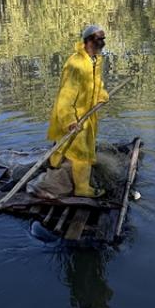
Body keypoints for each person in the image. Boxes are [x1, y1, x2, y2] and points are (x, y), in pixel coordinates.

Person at [47, 25, 110, 197]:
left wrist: (102, 95)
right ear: (88, 41)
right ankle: (82, 189)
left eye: (103, 39)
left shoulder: (95, 60)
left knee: (66, 142)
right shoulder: (75, 64)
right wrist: (70, 120)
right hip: (74, 114)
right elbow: (65, 97)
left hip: (88, 113)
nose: (103, 43)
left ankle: (54, 163)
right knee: (81, 153)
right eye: (99, 39)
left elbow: (96, 83)